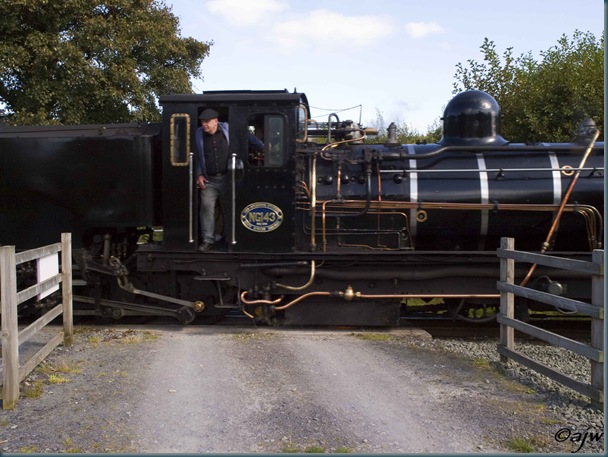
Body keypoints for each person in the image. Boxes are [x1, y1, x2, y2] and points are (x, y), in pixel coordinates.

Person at [195, 108, 264, 252]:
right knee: (206, 207)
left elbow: (248, 138)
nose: (204, 125)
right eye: (202, 122)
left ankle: (230, 238)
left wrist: (264, 148)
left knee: (229, 208)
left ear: (216, 121)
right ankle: (208, 240)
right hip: (209, 180)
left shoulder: (228, 129)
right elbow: (197, 156)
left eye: (207, 122)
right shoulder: (198, 134)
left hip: (228, 178)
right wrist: (199, 174)